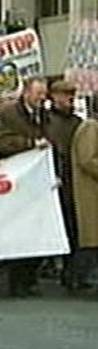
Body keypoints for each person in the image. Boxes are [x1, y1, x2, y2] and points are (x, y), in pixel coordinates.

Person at [0, 76, 51, 297]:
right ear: (26, 92)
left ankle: (30, 279)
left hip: (40, 180)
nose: (41, 98)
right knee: (21, 231)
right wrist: (30, 144)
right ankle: (16, 281)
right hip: (18, 178)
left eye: (43, 94)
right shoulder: (9, 113)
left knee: (40, 229)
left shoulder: (45, 115)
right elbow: (3, 142)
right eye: (38, 93)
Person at [47, 80, 85, 291]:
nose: (68, 99)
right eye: (64, 95)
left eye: (71, 95)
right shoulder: (47, 121)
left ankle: (72, 272)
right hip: (55, 179)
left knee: (75, 228)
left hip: (73, 180)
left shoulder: (78, 122)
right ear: (54, 96)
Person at [70, 116, 98, 291]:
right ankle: (77, 277)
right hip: (90, 190)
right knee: (90, 238)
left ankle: (78, 278)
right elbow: (87, 159)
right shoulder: (90, 127)